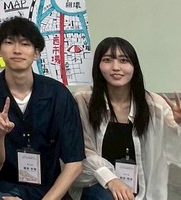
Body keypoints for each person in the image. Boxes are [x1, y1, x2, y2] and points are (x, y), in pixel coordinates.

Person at [0, 16, 83, 200]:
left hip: (45, 189)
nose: (17, 50)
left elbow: (74, 163)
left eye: (25, 44)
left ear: (36, 53)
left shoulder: (58, 95)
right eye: (9, 43)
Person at [73, 36, 181, 200]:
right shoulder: (84, 99)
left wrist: (179, 124)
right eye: (107, 60)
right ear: (98, 66)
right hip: (98, 185)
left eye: (123, 60)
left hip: (143, 191)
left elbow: (175, 152)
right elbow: (80, 149)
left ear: (134, 66)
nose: (116, 67)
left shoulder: (155, 106)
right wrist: (110, 178)